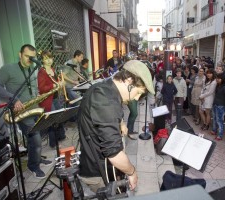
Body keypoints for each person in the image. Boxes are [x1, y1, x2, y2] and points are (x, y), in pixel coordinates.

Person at [77, 60, 155, 192]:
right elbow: (114, 153)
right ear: (129, 80)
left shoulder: (106, 88)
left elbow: (106, 115)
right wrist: (132, 172)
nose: (136, 98)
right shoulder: (105, 99)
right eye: (138, 92)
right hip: (98, 171)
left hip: (100, 162)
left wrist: (121, 122)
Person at [0, 44, 52, 179]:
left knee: (36, 139)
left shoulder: (32, 68)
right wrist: (13, 99)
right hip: (21, 112)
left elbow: (31, 88)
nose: (30, 60)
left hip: (34, 109)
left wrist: (36, 95)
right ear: (20, 54)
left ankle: (36, 158)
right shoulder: (7, 69)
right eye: (27, 56)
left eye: (33, 57)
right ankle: (33, 166)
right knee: (35, 139)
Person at [37, 51, 66, 148]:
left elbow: (56, 82)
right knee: (53, 121)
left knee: (59, 118)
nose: (49, 61)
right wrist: (53, 85)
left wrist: (60, 83)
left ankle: (61, 137)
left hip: (55, 97)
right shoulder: (42, 71)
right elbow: (41, 89)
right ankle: (54, 143)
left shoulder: (52, 69)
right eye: (46, 59)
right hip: (47, 100)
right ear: (42, 60)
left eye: (50, 58)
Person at [210, 73, 225, 141]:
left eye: (218, 78)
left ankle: (220, 135)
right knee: (215, 119)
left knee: (220, 121)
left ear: (222, 79)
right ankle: (214, 130)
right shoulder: (218, 85)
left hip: (221, 106)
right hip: (215, 104)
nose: (217, 79)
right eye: (216, 78)